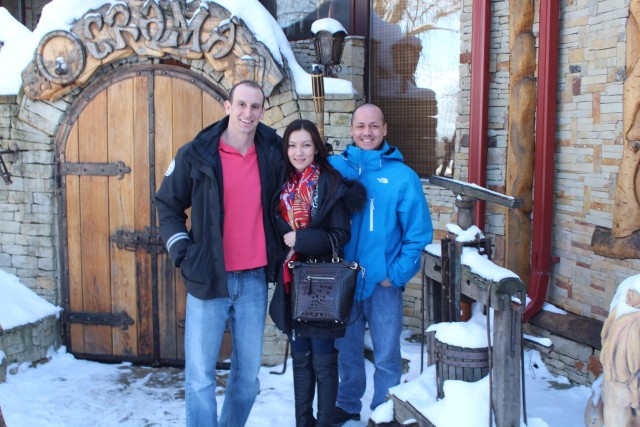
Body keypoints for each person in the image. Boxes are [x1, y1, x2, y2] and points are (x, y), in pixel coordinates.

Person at [155, 80, 285, 427]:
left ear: (262, 111)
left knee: (247, 380)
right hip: (209, 277)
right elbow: (167, 203)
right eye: (241, 105)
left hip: (254, 280)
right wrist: (182, 251)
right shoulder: (196, 153)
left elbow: (301, 181)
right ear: (228, 106)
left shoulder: (273, 152)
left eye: (255, 107)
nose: (248, 113)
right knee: (199, 379)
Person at [328, 103, 433, 425]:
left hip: (383, 283)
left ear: (385, 129)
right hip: (343, 282)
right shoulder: (335, 169)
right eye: (361, 126)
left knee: (387, 354)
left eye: (373, 126)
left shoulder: (402, 177)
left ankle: (384, 409)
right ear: (351, 129)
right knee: (346, 351)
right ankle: (347, 405)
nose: (367, 132)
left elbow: (417, 233)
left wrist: (396, 274)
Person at [269, 119, 366, 427]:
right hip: (290, 284)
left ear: (316, 148)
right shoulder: (279, 184)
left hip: (322, 286)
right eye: (293, 145)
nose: (299, 152)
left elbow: (341, 235)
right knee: (300, 361)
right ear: (286, 149)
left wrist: (302, 239)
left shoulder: (331, 184)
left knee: (323, 363)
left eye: (306, 145)